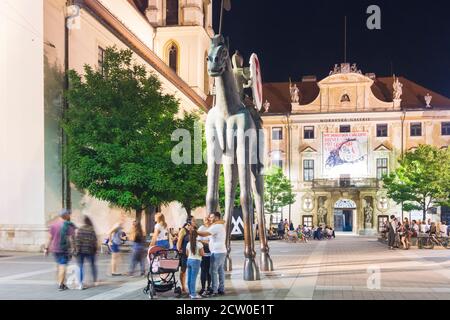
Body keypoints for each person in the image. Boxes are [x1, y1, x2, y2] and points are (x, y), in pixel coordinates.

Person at [44, 209, 76, 291]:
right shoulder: (68, 225)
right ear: (66, 216)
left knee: (59, 265)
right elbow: (71, 239)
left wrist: (46, 248)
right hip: (63, 249)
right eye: (69, 214)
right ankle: (61, 285)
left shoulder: (54, 225)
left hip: (54, 249)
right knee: (63, 266)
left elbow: (49, 238)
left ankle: (61, 282)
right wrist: (73, 248)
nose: (70, 216)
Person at [197, 212, 227, 296]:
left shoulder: (217, 226)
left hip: (217, 252)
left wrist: (194, 231)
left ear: (217, 217)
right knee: (220, 271)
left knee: (212, 271)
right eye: (209, 217)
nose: (210, 218)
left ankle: (214, 290)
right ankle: (221, 289)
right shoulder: (218, 225)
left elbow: (204, 234)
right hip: (219, 251)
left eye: (211, 217)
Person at [74, 215, 98, 290]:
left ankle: (80, 284)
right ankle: (95, 281)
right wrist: (95, 249)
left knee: (80, 266)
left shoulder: (80, 229)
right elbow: (94, 241)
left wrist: (77, 250)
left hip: (81, 251)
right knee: (93, 265)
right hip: (90, 251)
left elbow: (77, 241)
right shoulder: (92, 229)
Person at [177, 218, 196, 295]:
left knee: (191, 271)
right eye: (193, 221)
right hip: (184, 254)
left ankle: (190, 287)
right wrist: (179, 250)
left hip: (191, 254)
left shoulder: (193, 230)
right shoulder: (183, 230)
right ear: (189, 223)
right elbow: (179, 242)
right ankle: (183, 287)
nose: (195, 222)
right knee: (183, 271)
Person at [186, 228, 205, 299]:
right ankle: (193, 294)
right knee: (194, 278)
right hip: (196, 261)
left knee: (189, 277)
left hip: (189, 261)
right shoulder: (199, 244)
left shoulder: (188, 244)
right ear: (197, 236)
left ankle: (191, 292)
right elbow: (202, 254)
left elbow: (187, 253)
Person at [198, 216, 212, 297]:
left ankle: (209, 286)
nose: (207, 220)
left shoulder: (212, 228)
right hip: (203, 252)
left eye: (208, 219)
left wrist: (207, 241)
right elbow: (198, 239)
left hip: (211, 252)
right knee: (203, 270)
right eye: (206, 219)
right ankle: (203, 287)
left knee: (209, 271)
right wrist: (207, 242)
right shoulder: (201, 228)